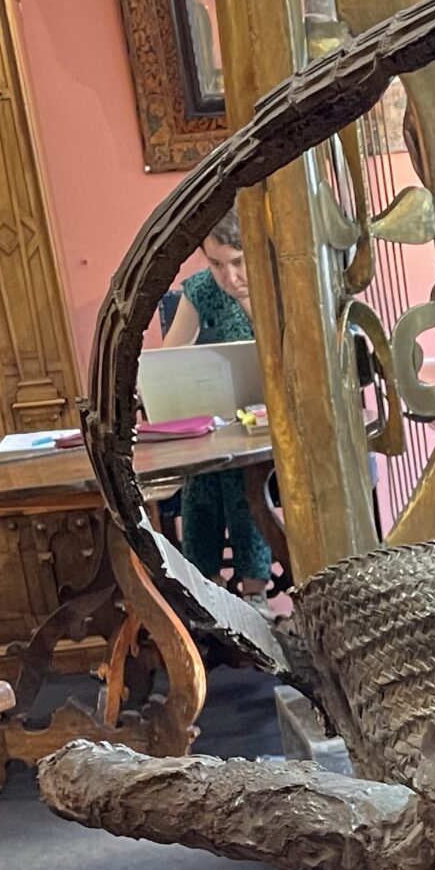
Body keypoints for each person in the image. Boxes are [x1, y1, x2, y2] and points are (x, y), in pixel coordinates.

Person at [163, 212, 277, 602]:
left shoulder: (280, 281)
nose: (229, 277)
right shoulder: (202, 290)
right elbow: (170, 359)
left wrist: (249, 302)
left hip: (277, 428)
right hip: (225, 426)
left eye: (238, 262)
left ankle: (249, 590)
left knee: (237, 472)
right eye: (216, 264)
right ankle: (210, 588)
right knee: (204, 471)